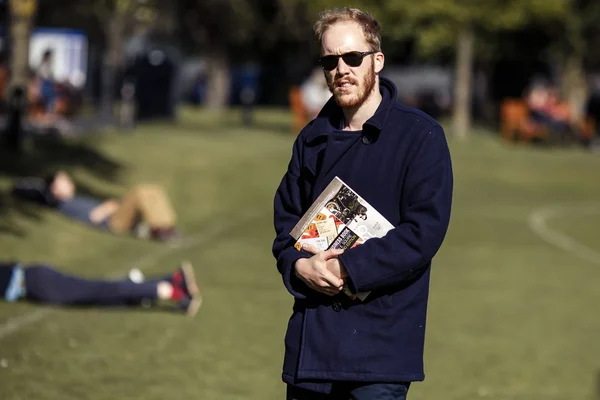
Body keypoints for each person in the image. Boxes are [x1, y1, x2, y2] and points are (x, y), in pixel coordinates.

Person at [272, 7, 453, 400]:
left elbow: (423, 234)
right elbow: (286, 225)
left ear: (377, 60)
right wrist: (300, 265)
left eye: (352, 57)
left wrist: (347, 268)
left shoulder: (421, 136)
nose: (341, 69)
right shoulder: (311, 139)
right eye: (330, 60)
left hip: (380, 351)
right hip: (311, 348)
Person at [12, 171, 179, 242]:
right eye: (64, 181)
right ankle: (163, 229)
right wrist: (109, 206)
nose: (69, 181)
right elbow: (94, 216)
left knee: (152, 191)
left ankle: (166, 226)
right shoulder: (68, 204)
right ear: (55, 190)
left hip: (116, 216)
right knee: (140, 192)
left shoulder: (75, 198)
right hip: (113, 222)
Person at [0, 260, 202, 317]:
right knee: (102, 295)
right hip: (34, 280)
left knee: (100, 291)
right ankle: (171, 280)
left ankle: (170, 290)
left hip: (35, 283)